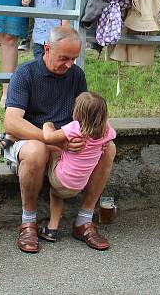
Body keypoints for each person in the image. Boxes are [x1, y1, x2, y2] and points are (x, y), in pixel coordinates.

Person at [1, 25, 115, 252]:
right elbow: (12, 122)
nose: (69, 64)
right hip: (31, 141)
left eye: (73, 58)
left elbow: (85, 118)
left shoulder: (76, 75)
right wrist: (53, 140)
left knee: (108, 148)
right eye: (64, 58)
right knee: (37, 150)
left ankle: (83, 221)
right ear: (46, 49)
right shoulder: (25, 73)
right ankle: (28, 222)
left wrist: (85, 138)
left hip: (65, 142)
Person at [39, 92, 116, 243]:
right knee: (58, 194)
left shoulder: (75, 128)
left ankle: (53, 227)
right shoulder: (105, 131)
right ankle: (51, 230)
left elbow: (49, 137)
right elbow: (112, 135)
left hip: (60, 180)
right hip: (79, 185)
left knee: (49, 147)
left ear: (77, 113)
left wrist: (47, 125)